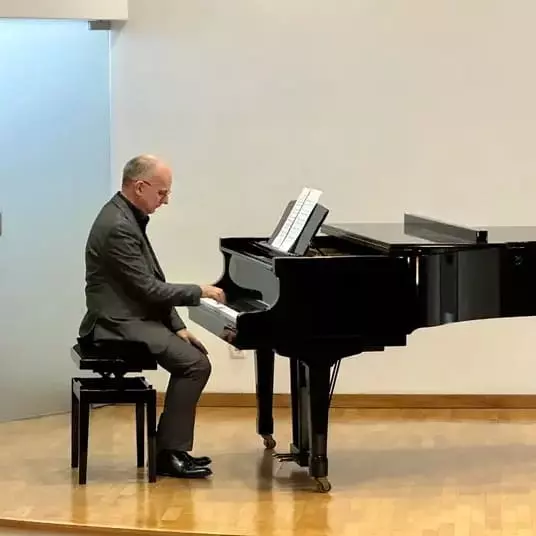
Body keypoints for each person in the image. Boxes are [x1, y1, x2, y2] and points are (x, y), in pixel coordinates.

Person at [78, 154, 225, 479]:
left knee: (194, 359)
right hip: (116, 322)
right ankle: (168, 454)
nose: (166, 200)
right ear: (140, 186)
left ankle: (170, 450)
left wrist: (177, 326)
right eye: (162, 192)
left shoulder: (126, 215)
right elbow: (149, 289)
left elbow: (149, 282)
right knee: (195, 365)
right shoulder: (118, 226)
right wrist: (199, 291)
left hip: (132, 314)